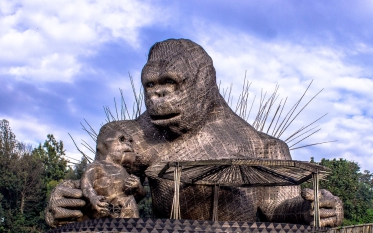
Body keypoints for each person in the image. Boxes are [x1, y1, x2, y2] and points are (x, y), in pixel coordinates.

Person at [46, 39, 343, 228]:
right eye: (150, 85)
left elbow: (279, 209)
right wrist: (74, 203)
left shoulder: (264, 147)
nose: (158, 96)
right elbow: (102, 178)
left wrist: (314, 208)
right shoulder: (137, 135)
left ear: (204, 82)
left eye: (171, 83)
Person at [80, 122, 146, 219]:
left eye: (130, 141)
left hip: (126, 217)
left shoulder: (124, 171)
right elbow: (86, 186)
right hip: (102, 216)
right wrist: (93, 198)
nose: (128, 143)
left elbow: (139, 196)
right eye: (121, 139)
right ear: (104, 145)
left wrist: (138, 187)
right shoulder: (96, 166)